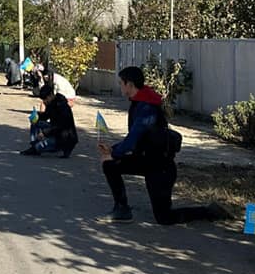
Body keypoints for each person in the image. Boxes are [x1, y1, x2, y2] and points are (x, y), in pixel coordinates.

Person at [97, 66, 231, 224]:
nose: (119, 86)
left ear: (130, 84)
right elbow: (135, 139)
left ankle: (209, 212)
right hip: (146, 160)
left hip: (160, 167)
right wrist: (112, 150)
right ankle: (122, 209)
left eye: (121, 83)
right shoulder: (139, 102)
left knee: (164, 217)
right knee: (109, 164)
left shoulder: (147, 107)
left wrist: (114, 152)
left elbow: (133, 139)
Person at [20, 84, 78, 158]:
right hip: (55, 132)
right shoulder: (51, 103)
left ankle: (60, 148)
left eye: (45, 99)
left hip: (65, 137)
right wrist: (37, 116)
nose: (44, 101)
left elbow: (61, 126)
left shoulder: (62, 106)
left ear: (51, 95)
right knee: (36, 123)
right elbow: (46, 115)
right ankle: (34, 145)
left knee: (39, 147)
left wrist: (45, 132)